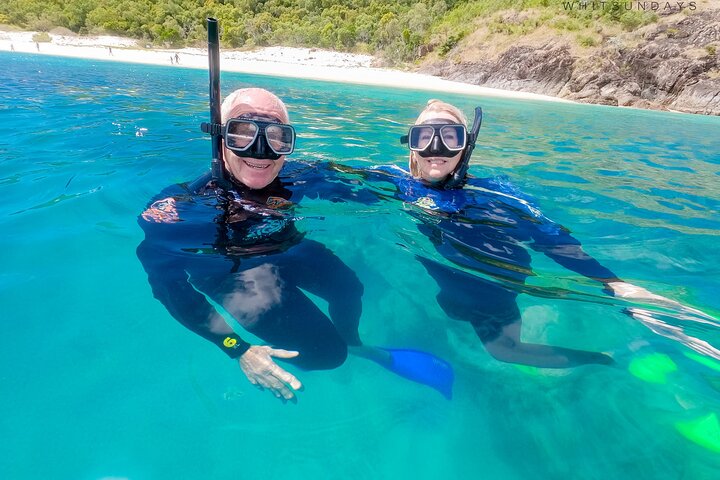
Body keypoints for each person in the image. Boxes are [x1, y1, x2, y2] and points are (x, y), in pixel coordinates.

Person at [137, 89, 453, 402]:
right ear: (220, 138)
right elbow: (169, 288)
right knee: (327, 356)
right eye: (243, 134)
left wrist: (429, 177)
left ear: (289, 143)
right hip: (229, 273)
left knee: (349, 287)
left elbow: (368, 186)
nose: (260, 152)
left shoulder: (299, 175)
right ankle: (341, 350)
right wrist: (237, 349)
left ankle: (354, 345)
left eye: (275, 136)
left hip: (288, 250)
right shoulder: (177, 210)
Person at [359, 99, 701, 368]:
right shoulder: (391, 180)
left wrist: (613, 283)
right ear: (412, 144)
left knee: (505, 351)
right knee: (487, 338)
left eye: (451, 137)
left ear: (466, 146)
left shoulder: (494, 194)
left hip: (497, 281)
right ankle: (607, 360)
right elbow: (328, 178)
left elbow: (548, 236)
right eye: (426, 137)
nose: (437, 149)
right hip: (456, 281)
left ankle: (611, 359)